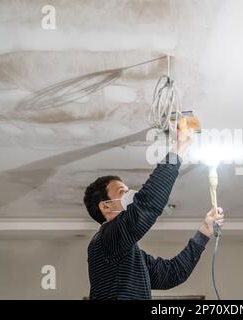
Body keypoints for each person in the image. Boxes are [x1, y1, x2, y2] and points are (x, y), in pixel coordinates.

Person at [83, 119, 225, 300]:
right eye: (122, 192)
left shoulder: (127, 253)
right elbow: (147, 204)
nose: (130, 194)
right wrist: (180, 147)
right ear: (105, 206)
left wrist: (205, 231)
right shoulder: (105, 241)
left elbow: (173, 274)